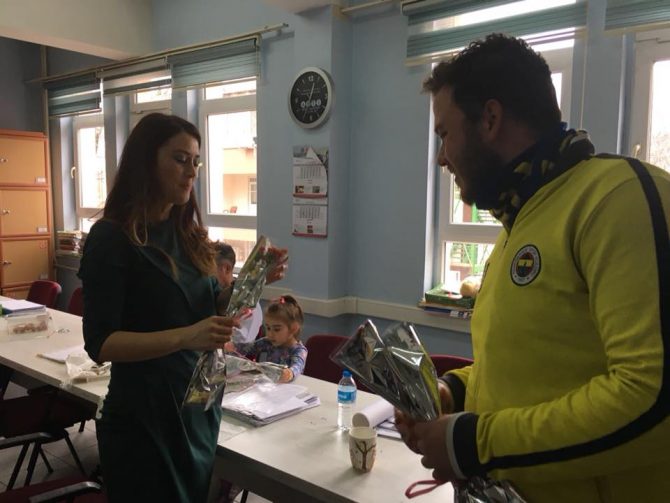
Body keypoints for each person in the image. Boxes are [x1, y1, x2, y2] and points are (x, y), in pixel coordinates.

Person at [396, 34, 670, 502]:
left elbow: (653, 397)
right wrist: (453, 393)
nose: (441, 157)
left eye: (444, 134)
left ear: (490, 119)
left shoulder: (618, 197)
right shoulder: (519, 224)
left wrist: (472, 442)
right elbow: (530, 369)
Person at [78, 112, 287, 502]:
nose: (191, 172)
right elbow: (100, 343)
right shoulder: (112, 238)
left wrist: (255, 281)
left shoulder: (187, 234)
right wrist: (187, 337)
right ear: (146, 161)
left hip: (195, 409)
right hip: (144, 418)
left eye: (196, 162)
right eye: (180, 159)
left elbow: (210, 305)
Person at [224, 295, 307, 383]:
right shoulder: (268, 342)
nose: (270, 334)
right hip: (270, 386)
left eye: (276, 329)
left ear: (293, 329)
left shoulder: (299, 350)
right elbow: (248, 348)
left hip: (289, 388)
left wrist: (289, 373)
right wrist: (232, 346)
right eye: (268, 328)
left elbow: (297, 367)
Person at [213, 241, 264, 343]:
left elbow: (242, 342)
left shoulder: (249, 304)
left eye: (207, 268)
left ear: (226, 268)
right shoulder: (210, 294)